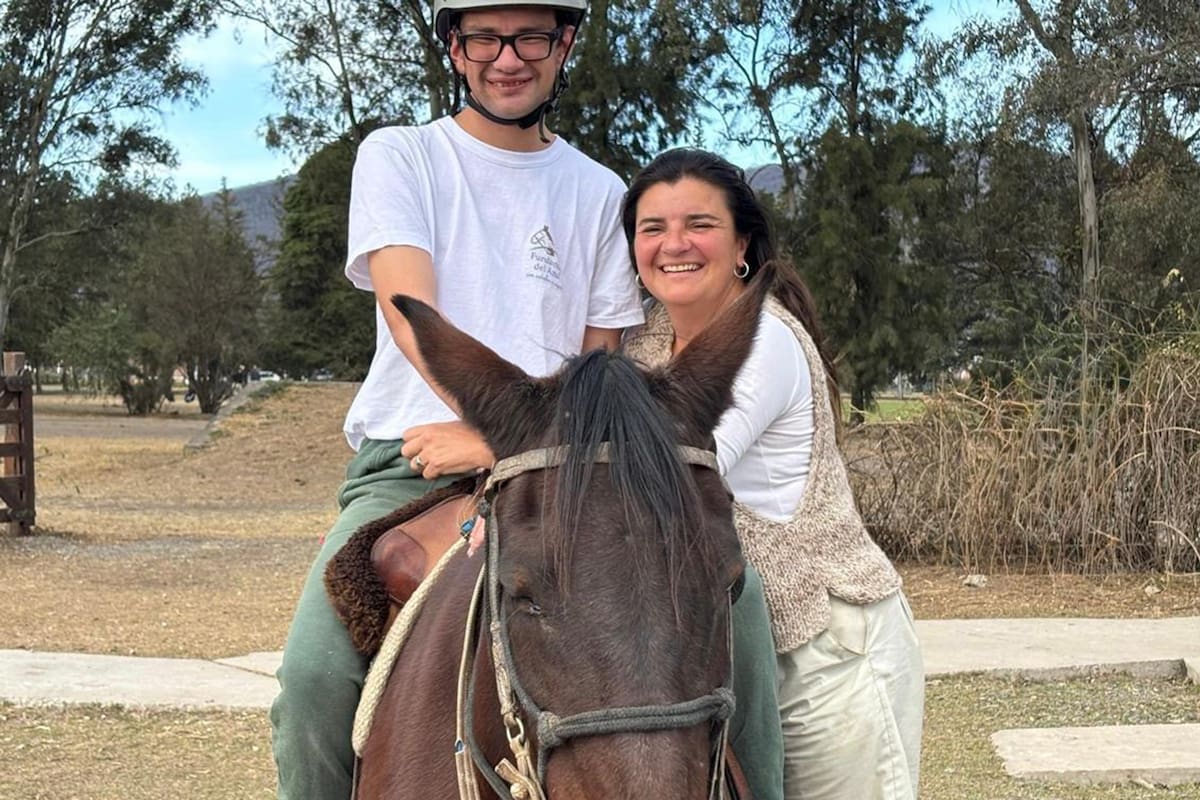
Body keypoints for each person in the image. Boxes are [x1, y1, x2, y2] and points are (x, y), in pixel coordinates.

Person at [268, 2, 648, 797]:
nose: (506, 58)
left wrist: (509, 445)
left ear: (566, 42)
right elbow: (415, 318)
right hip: (410, 468)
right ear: (453, 45)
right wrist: (503, 432)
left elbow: (599, 365)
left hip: (561, 472)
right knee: (311, 684)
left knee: (730, 622)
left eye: (531, 36)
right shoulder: (402, 157)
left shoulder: (600, 192)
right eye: (483, 36)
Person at [622, 148, 925, 800]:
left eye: (698, 224)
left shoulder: (762, 340)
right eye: (652, 228)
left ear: (742, 248)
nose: (673, 244)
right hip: (719, 652)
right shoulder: (642, 342)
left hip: (822, 650)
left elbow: (668, 473)